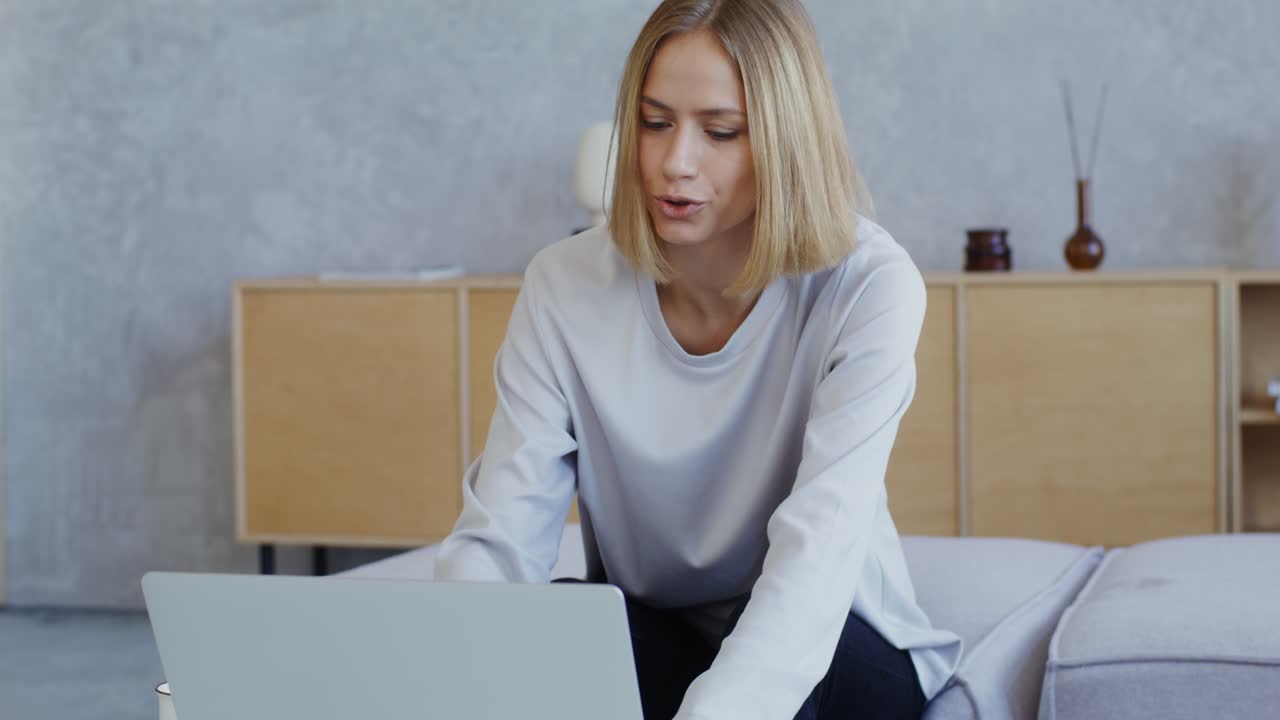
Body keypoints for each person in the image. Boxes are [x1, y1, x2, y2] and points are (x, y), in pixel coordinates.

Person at [434, 1, 962, 718]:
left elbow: (814, 563)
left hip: (836, 646)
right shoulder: (564, 285)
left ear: (784, 140)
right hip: (668, 629)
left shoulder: (868, 286)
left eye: (720, 132)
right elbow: (499, 542)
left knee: (787, 675)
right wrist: (451, 680)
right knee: (557, 630)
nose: (674, 162)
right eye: (654, 123)